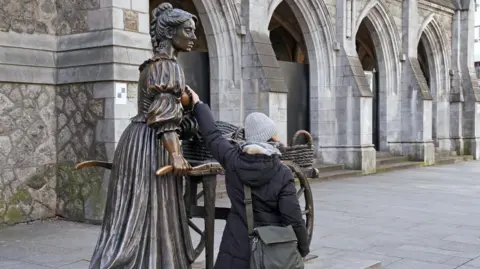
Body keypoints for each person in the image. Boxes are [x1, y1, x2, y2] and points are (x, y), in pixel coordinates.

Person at [88, 3, 199, 268]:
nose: (194, 37)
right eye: (188, 31)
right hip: (153, 143)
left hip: (137, 140)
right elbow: (164, 116)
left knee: (134, 209)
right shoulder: (168, 67)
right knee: (149, 204)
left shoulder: (151, 65)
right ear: (171, 33)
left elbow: (166, 108)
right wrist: (176, 155)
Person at [188, 89, 310, 268]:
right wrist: (303, 247)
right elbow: (293, 217)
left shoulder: (232, 159)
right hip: (269, 251)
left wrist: (198, 105)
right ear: (268, 138)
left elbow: (212, 136)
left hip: (235, 246)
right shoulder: (282, 173)